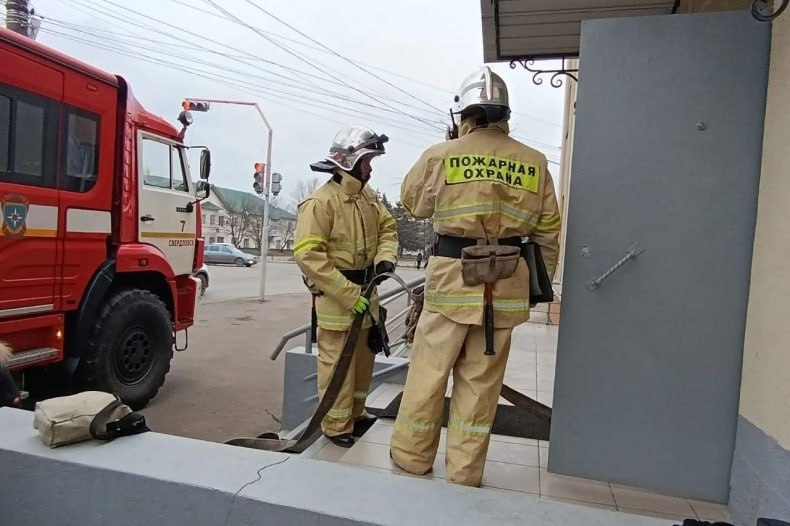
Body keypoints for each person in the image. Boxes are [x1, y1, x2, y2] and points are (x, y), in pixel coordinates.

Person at [389, 66, 561, 486]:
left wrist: (451, 153)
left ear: (465, 113)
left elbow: (413, 204)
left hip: (450, 283)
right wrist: (535, 287)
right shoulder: (534, 161)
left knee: (428, 377)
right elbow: (548, 232)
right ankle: (465, 474)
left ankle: (412, 459)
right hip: (505, 289)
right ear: (505, 115)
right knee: (481, 388)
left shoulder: (441, 155)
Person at [293, 126, 399, 448]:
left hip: (368, 294)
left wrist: (384, 260)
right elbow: (308, 255)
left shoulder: (367, 197)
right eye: (367, 160)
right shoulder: (320, 203)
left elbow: (388, 229)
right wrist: (349, 294)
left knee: (363, 360)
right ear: (350, 161)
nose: (371, 167)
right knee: (338, 364)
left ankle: (356, 413)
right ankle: (336, 425)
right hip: (339, 298)